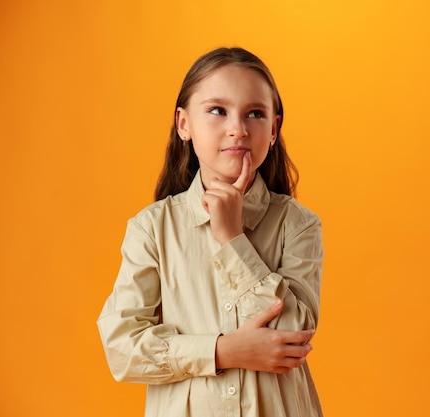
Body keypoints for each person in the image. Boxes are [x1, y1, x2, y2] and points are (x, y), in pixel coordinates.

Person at [97, 47, 324, 417]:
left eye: (255, 113)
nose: (238, 128)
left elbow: (293, 333)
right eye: (217, 110)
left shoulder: (298, 225)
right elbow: (122, 346)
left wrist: (232, 240)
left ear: (274, 129)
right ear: (184, 124)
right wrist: (223, 351)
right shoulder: (152, 229)